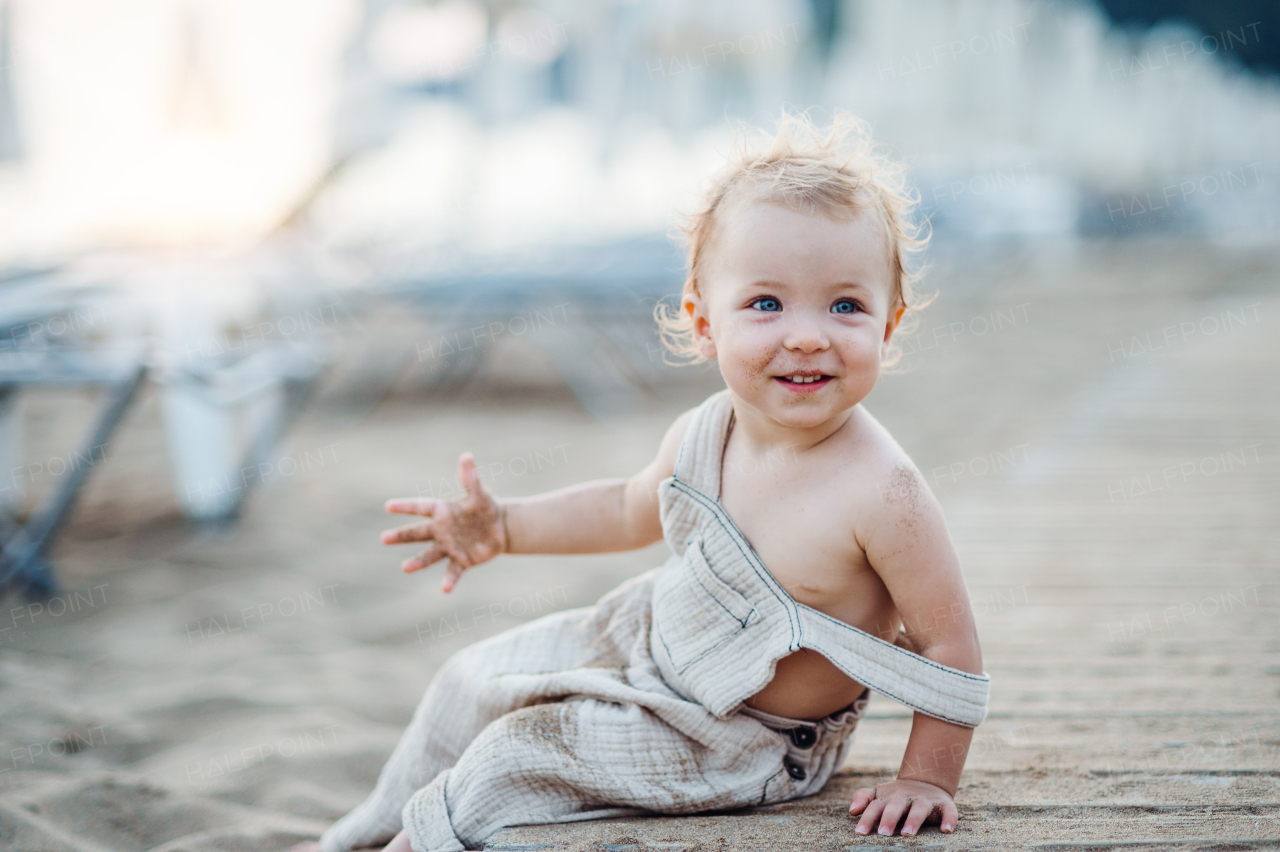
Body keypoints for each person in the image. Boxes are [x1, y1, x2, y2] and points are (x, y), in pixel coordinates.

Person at [304, 111, 989, 852]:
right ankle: (356, 835)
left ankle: (413, 844)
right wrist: (507, 527)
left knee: (515, 756)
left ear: (888, 327)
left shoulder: (884, 491)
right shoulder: (704, 431)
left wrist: (927, 778)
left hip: (746, 739)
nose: (806, 334)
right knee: (469, 681)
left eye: (846, 305)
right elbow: (628, 508)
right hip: (646, 646)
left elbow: (949, 649)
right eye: (766, 302)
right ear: (703, 322)